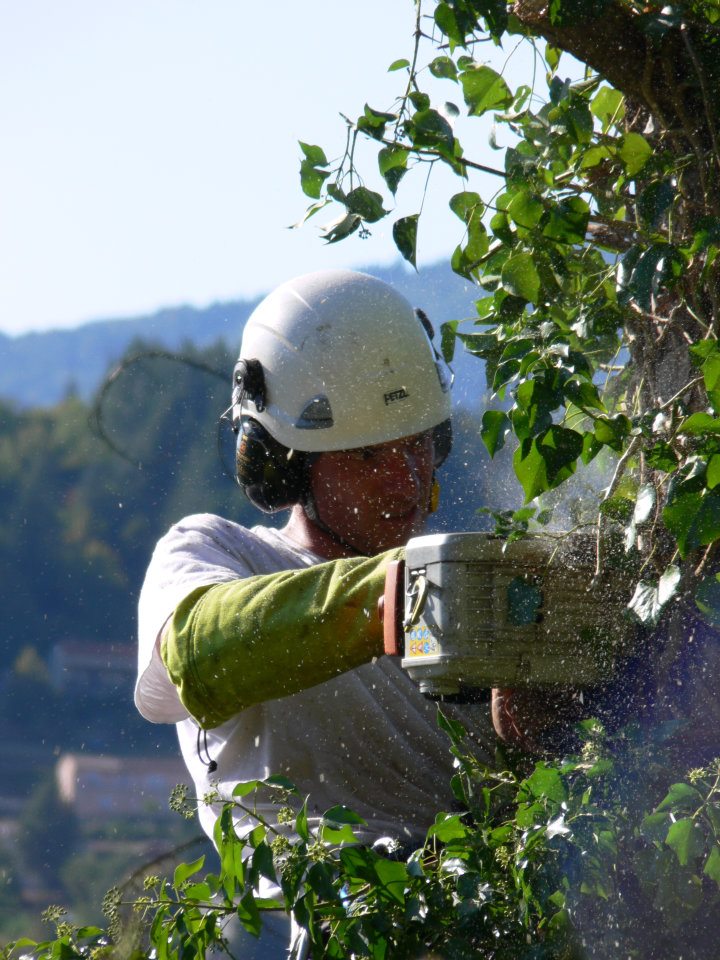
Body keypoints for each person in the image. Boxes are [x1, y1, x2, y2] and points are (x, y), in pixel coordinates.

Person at [134, 269, 496, 953]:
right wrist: (401, 594)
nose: (406, 480)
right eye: (367, 456)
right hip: (311, 931)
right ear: (288, 466)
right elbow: (192, 653)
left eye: (417, 445)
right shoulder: (222, 554)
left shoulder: (469, 588)